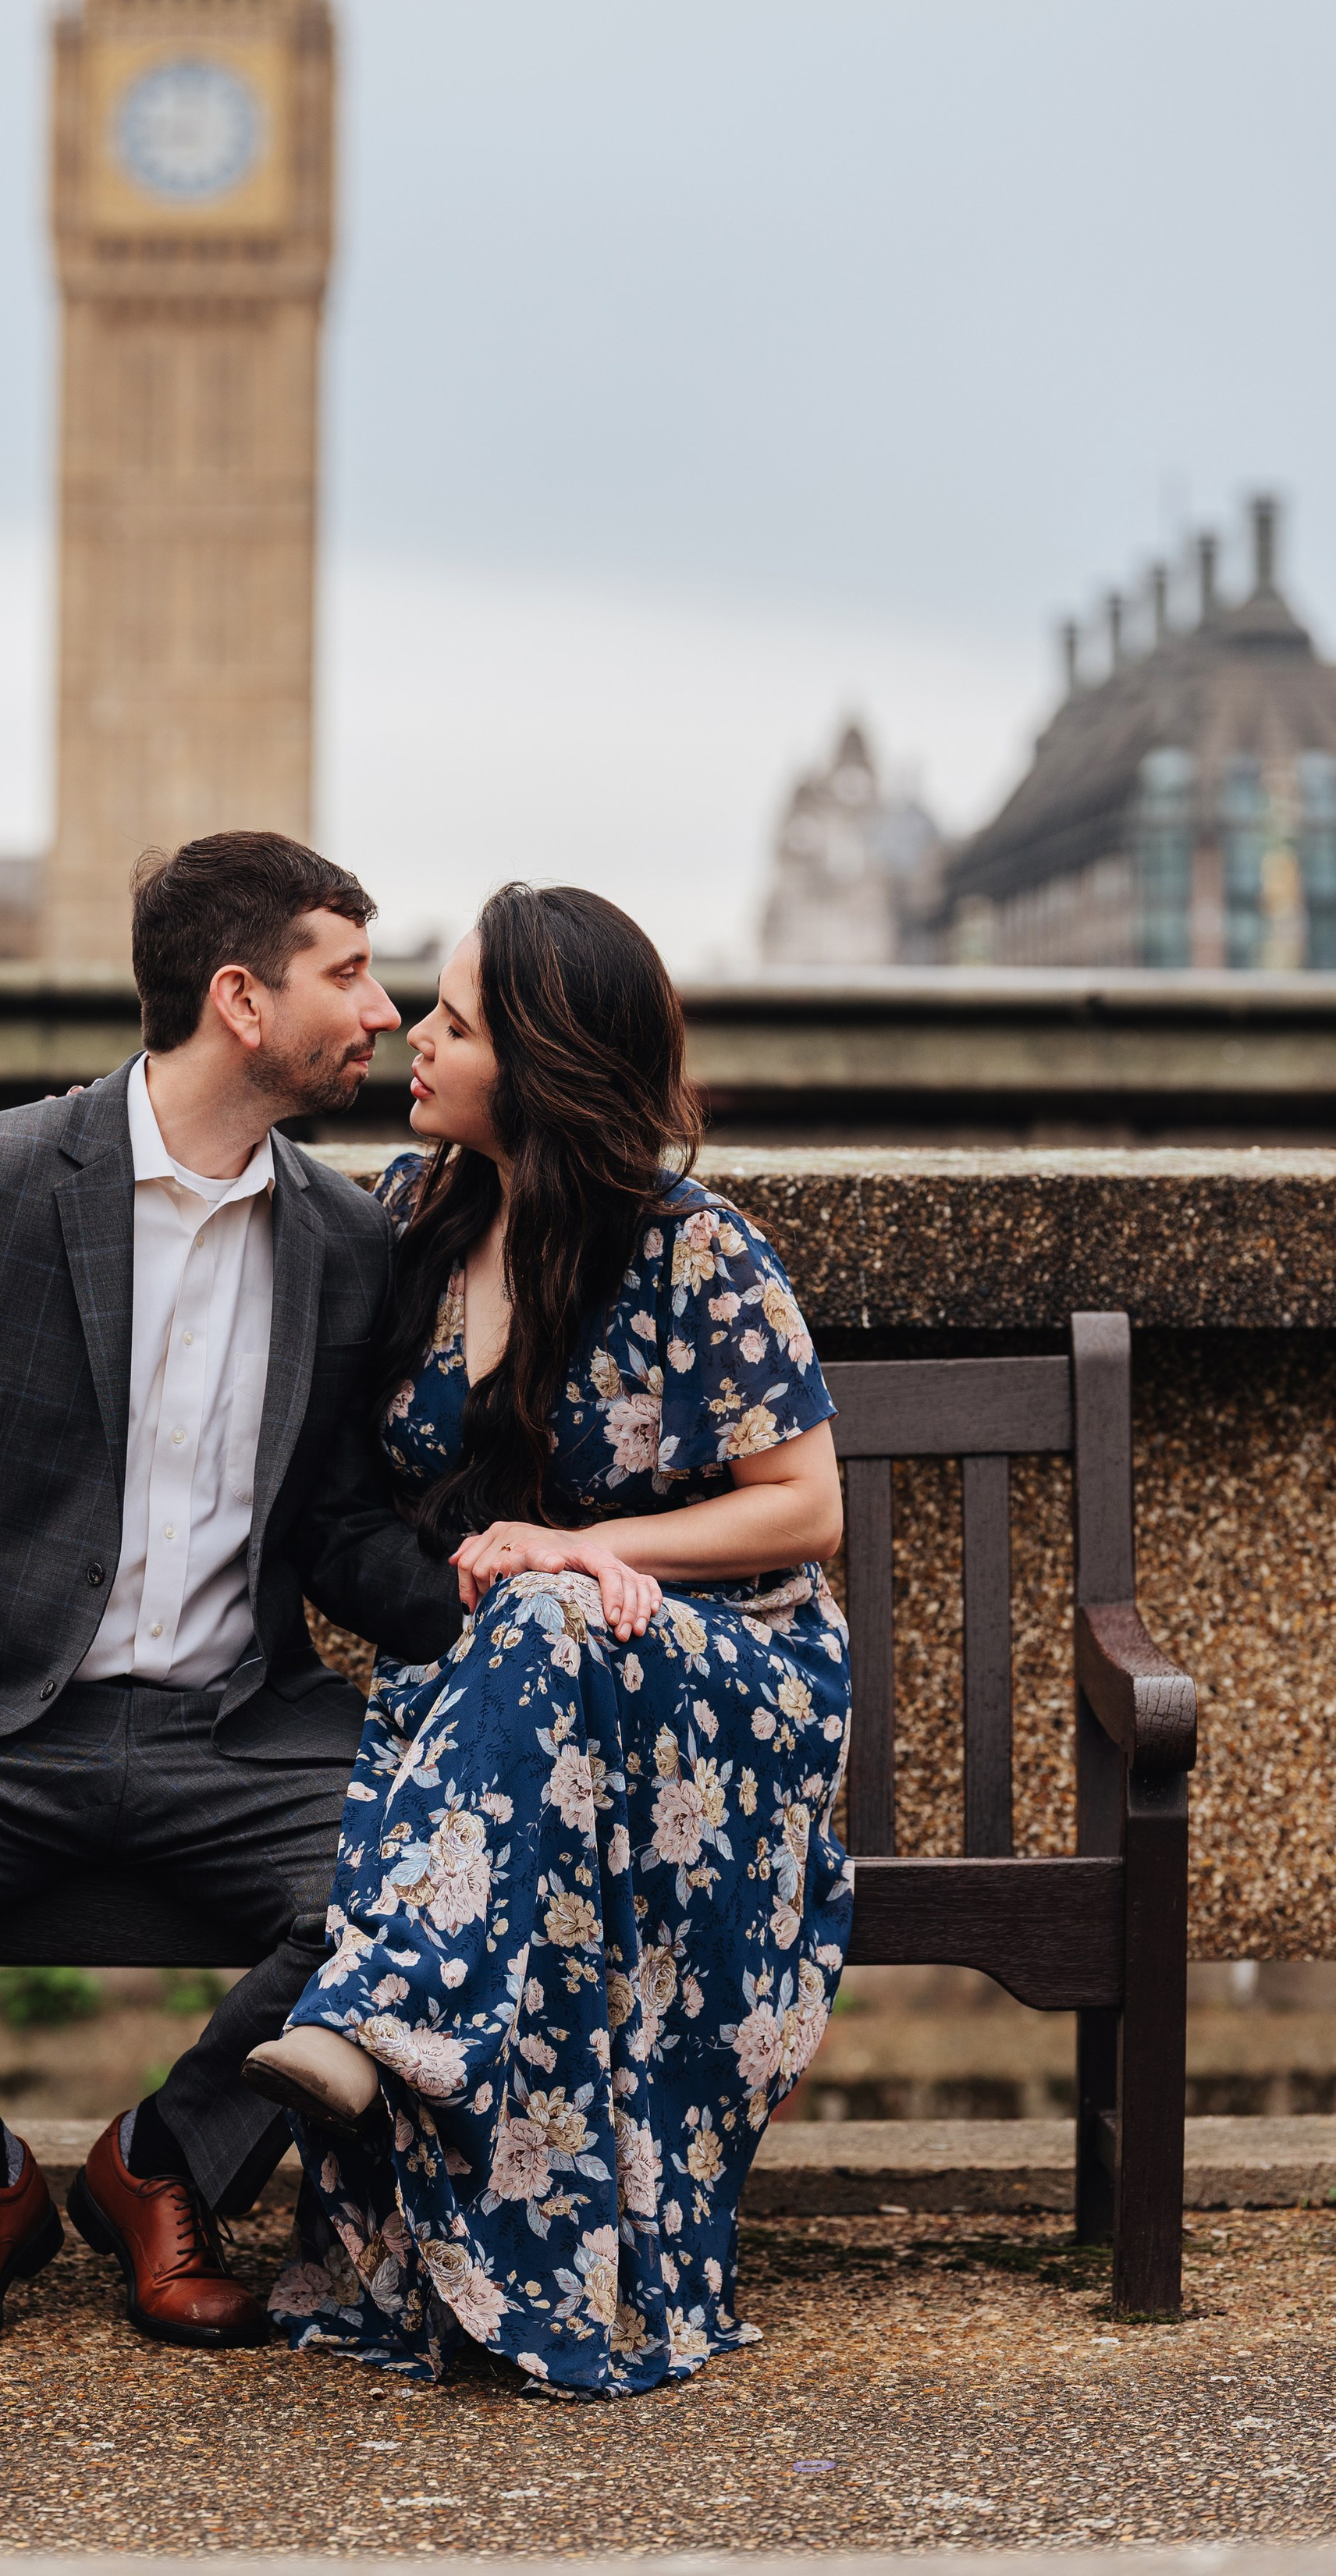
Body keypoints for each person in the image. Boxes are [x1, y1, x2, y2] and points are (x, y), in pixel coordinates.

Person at [0, 831, 461, 2357]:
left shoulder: (343, 1239)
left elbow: (330, 1525)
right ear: (240, 1000)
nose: (379, 1013)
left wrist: (493, 1595)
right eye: (348, 975)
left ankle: (164, 2166)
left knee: (429, 1868)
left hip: (235, 1734)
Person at [241, 883, 851, 2398]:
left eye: (451, 1023)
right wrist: (543, 1588)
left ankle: (386, 2013)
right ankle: (487, 2230)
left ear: (543, 1062)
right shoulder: (407, 1216)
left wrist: (591, 1552)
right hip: (517, 1678)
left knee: (537, 1604)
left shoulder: (696, 1254)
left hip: (724, 1676)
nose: (415, 1039)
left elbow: (803, 1509)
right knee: (520, 1625)